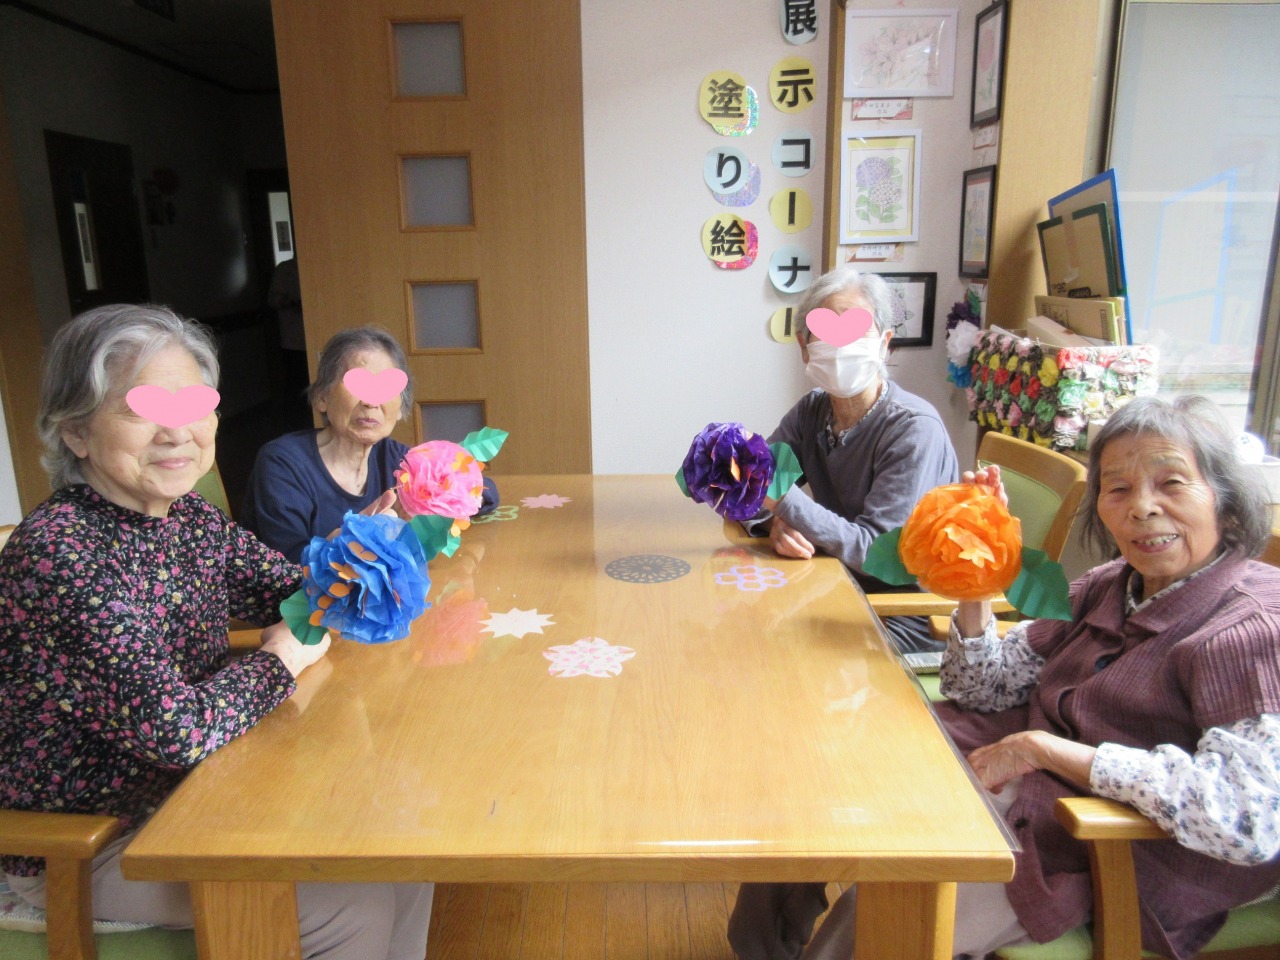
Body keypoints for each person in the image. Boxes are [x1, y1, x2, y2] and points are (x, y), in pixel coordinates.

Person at [728, 395, 1280, 960]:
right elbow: (982, 686)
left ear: (1229, 506)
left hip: (1090, 845)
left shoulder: (1247, 630)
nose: (1142, 508)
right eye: (1118, 489)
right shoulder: (1115, 583)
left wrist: (1047, 751)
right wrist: (977, 576)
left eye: (1172, 484)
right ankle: (760, 950)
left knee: (884, 914)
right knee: (814, 793)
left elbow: (1243, 818)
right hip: (1015, 776)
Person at [0, 304, 434, 960]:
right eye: (143, 406)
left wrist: (352, 555)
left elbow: (293, 593)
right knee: (351, 903)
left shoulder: (188, 518)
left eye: (196, 402)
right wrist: (281, 662)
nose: (178, 430)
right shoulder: (62, 553)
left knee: (401, 847)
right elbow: (176, 729)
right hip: (89, 839)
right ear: (76, 432)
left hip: (200, 791)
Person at [747, 265, 959, 653]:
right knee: (743, 625)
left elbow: (881, 556)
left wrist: (784, 501)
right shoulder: (813, 411)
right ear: (804, 345)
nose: (842, 345)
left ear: (885, 343)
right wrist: (777, 520)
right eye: (827, 332)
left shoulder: (913, 429)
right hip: (835, 586)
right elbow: (749, 485)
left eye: (857, 332)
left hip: (907, 612)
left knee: (772, 651)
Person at [241, 325, 498, 562]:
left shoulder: (397, 459)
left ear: (400, 409)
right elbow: (286, 565)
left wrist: (438, 496)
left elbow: (484, 489)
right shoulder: (282, 463)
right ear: (321, 398)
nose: (371, 401)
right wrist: (355, 537)